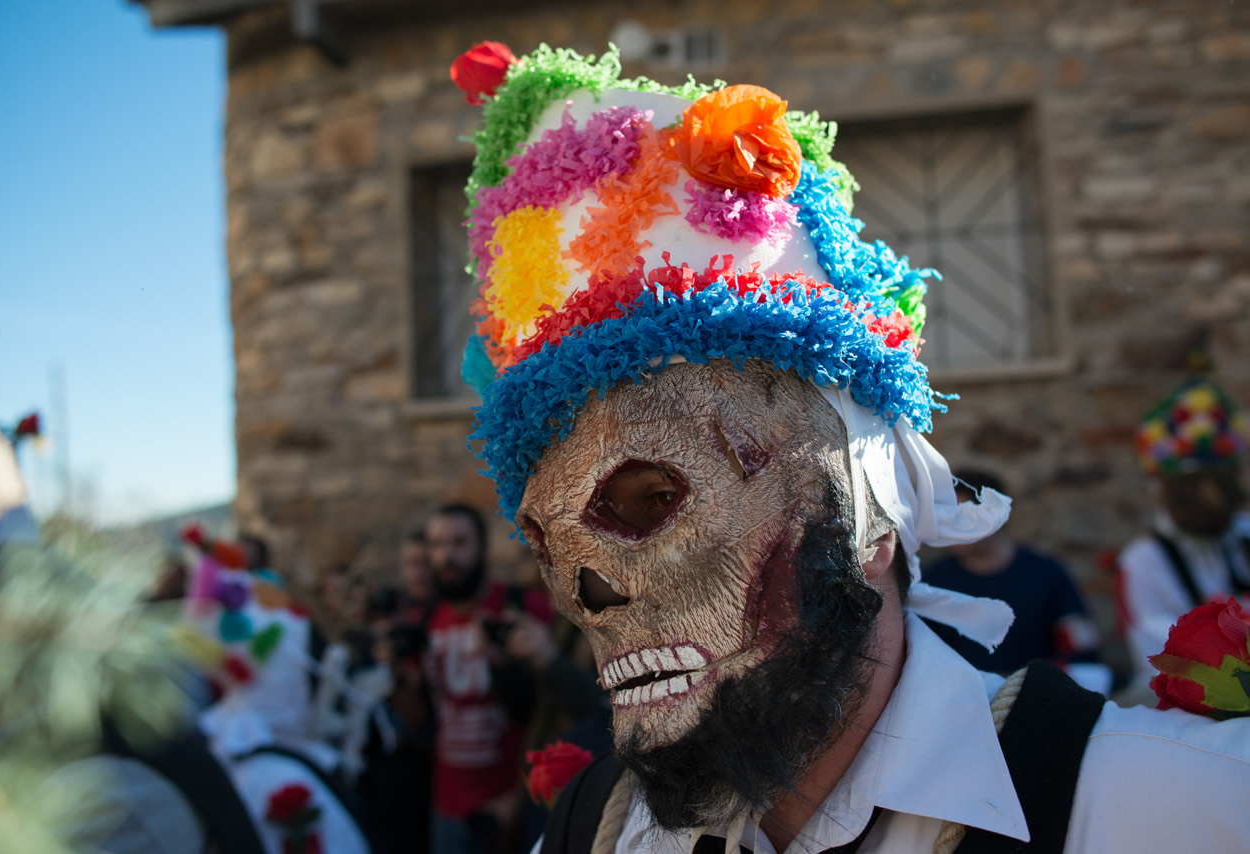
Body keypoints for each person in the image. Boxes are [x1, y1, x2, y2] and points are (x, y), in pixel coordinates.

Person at [448, 42, 1250, 853]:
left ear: (867, 523)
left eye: (655, 498)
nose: (587, 594)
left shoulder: (1179, 808)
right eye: (549, 544)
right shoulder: (594, 833)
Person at [421, 502, 556, 854]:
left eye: (459, 542)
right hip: (447, 808)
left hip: (513, 806)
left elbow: (557, 707)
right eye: (437, 544)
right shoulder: (426, 619)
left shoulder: (523, 606)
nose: (447, 556)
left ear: (482, 549)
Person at [1117, 375, 1250, 699]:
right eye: (1191, 491)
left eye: (1217, 485)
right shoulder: (1142, 561)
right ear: (1164, 493)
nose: (1207, 502)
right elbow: (1161, 659)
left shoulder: (1244, 534)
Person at [921, 468, 1101, 677]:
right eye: (943, 515)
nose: (949, 525)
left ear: (993, 513)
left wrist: (1037, 680)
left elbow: (1081, 647)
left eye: (961, 515)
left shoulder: (1046, 574)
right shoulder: (932, 583)